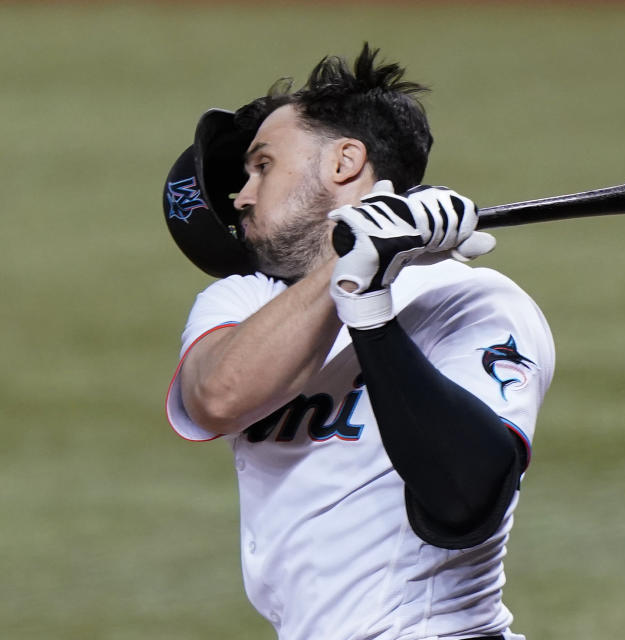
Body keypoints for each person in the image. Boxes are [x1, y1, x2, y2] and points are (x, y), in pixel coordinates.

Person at [164, 43, 554, 640]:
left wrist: (369, 310)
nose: (241, 196)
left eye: (262, 166)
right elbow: (219, 396)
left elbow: (465, 503)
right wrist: (350, 268)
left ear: (345, 161)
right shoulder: (243, 303)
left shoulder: (475, 303)